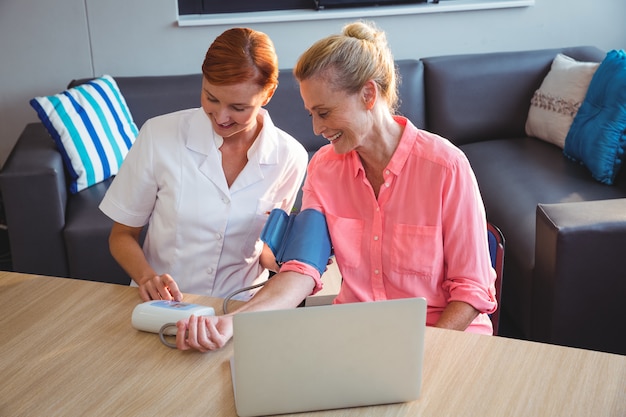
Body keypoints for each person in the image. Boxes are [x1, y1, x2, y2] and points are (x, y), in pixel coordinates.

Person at [176, 21, 497, 352]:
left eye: (325, 112)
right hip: (359, 337)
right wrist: (231, 323)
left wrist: (422, 353)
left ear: (368, 94)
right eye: (311, 114)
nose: (316, 128)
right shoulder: (324, 169)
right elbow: (301, 268)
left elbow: (472, 288)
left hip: (443, 341)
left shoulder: (445, 167)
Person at [99, 28, 308, 302]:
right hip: (164, 305)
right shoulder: (158, 136)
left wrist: (294, 260)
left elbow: (265, 250)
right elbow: (122, 235)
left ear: (267, 94)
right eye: (211, 98)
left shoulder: (289, 156)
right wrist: (146, 277)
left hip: (239, 309)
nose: (221, 116)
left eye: (238, 107)